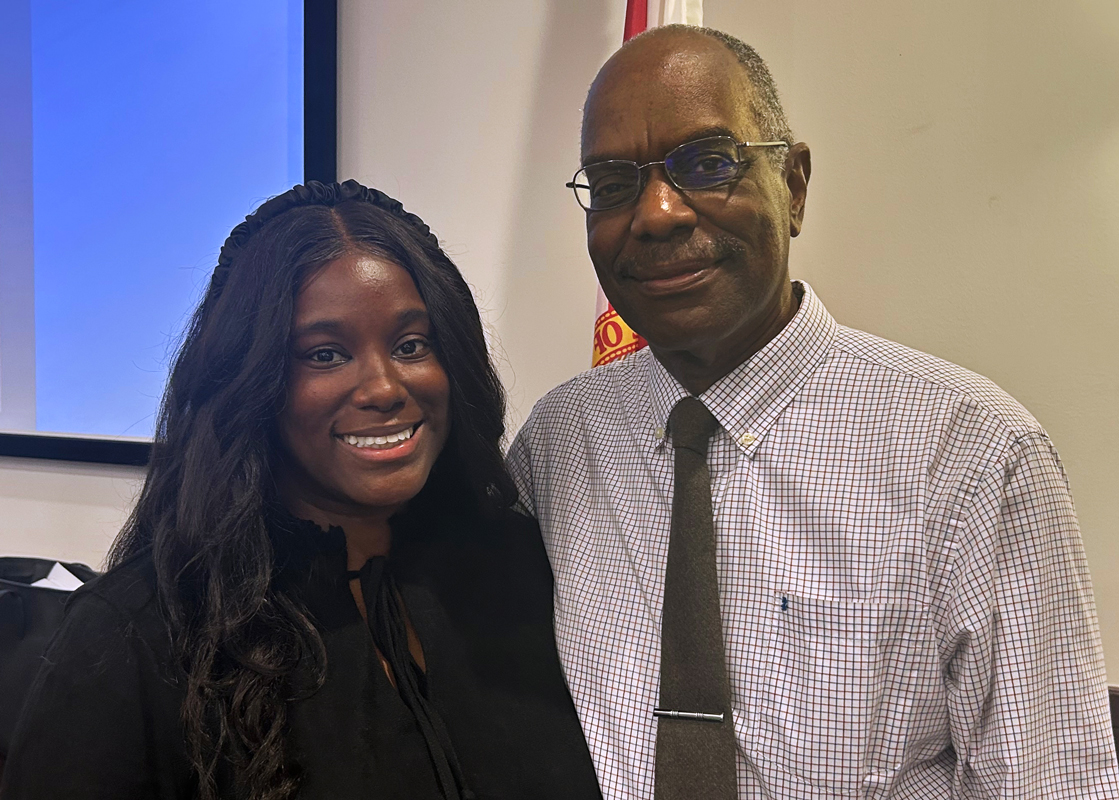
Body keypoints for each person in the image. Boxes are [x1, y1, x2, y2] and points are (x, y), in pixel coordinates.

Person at [508, 24, 1119, 799]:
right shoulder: (558, 445)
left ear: (792, 186)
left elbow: (1049, 783)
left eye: (708, 163)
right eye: (612, 182)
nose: (656, 213)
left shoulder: (972, 455)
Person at [1, 181, 602, 800]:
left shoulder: (529, 568)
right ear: (252, 382)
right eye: (325, 354)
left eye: (411, 345)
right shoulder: (139, 631)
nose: (384, 387)